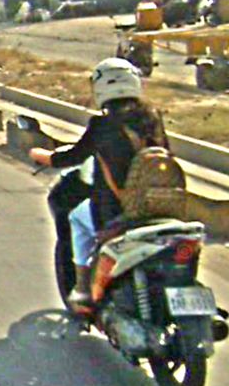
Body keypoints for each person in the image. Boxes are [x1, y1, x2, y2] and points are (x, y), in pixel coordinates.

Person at [30, 58, 168, 310]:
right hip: (160, 208)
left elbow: (74, 156)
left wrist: (42, 155)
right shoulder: (152, 119)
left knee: (75, 219)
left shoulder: (102, 124)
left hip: (117, 211)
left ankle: (82, 289)